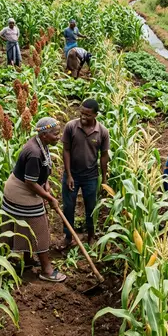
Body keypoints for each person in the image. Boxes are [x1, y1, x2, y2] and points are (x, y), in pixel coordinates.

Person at [2, 117, 66, 283]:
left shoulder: (41, 144)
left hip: (26, 187)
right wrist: (49, 198)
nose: (58, 136)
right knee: (39, 228)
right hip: (20, 191)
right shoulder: (34, 153)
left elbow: (41, 172)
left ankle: (29, 259)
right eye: (55, 134)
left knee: (29, 225)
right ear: (44, 135)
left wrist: (46, 184)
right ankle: (46, 270)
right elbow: (30, 182)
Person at [62, 99, 110, 248]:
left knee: (91, 207)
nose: (83, 117)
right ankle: (68, 236)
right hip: (72, 175)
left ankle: (90, 235)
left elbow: (103, 156)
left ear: (95, 115)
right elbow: (66, 150)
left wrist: (104, 178)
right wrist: (69, 175)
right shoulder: (71, 127)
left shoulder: (102, 132)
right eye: (82, 113)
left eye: (87, 115)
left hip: (91, 176)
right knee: (68, 207)